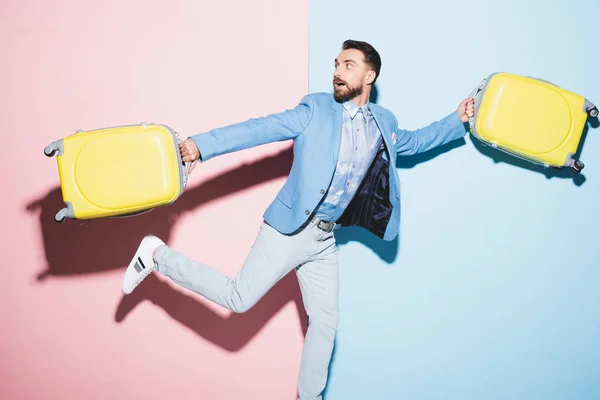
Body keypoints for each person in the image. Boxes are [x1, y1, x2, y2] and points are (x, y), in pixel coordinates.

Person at [121, 39, 474, 400]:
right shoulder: (315, 109)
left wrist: (456, 119)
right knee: (238, 298)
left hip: (324, 239)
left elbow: (414, 142)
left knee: (325, 323)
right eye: (336, 64)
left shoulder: (384, 121)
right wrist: (202, 144)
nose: (338, 71)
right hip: (290, 230)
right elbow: (260, 128)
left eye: (348, 65)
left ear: (370, 75)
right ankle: (156, 256)